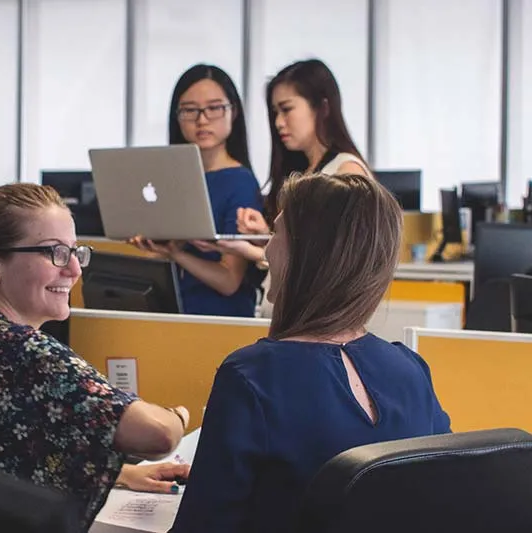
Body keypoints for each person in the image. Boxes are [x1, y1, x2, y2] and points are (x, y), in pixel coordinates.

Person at [0, 183, 190, 532]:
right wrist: (178, 415)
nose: (75, 270)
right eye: (55, 253)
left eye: (76, 252)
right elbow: (158, 436)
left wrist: (118, 473)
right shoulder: (15, 349)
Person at [170, 173, 451, 533]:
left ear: (308, 254)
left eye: (277, 233)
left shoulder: (251, 376)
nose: (267, 250)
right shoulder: (411, 370)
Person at [197, 59, 372, 270]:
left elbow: (332, 265)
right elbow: (302, 248)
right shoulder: (303, 172)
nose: (279, 122)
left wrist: (250, 251)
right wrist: (266, 236)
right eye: (275, 113)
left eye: (287, 109)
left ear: (322, 108)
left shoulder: (346, 171)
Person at [130, 64, 263, 318]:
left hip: (217, 320)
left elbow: (229, 281)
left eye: (214, 108)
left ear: (232, 112)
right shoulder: (173, 179)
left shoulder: (239, 181)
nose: (202, 119)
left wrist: (177, 254)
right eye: (190, 110)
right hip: (175, 314)